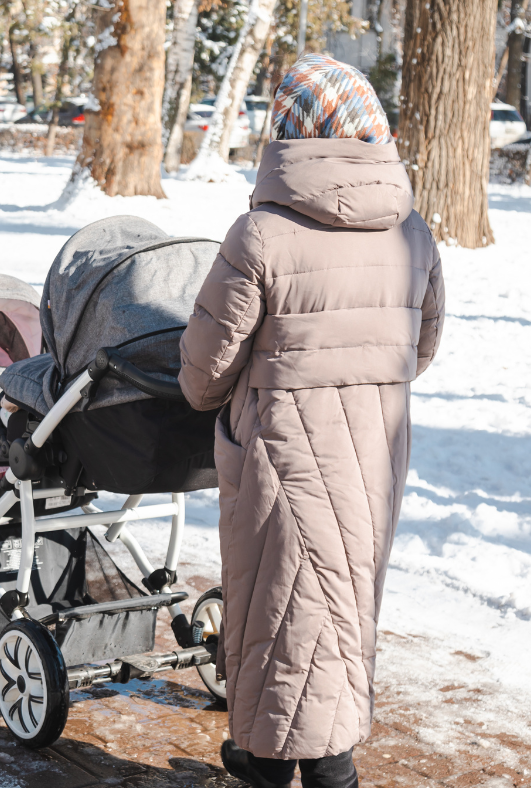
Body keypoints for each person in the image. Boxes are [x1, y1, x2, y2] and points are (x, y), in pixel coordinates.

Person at [178, 54, 445, 788]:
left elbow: (203, 378)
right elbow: (419, 350)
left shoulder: (259, 237)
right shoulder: (412, 235)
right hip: (374, 451)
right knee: (343, 601)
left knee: (279, 600)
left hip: (280, 451)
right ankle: (328, 758)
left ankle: (279, 765)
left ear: (289, 134)